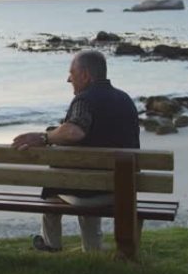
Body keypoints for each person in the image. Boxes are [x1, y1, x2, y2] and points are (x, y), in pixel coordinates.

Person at [11, 50, 139, 252]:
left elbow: (74, 131)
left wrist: (45, 137)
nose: (68, 78)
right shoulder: (125, 99)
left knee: (56, 184)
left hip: (89, 191)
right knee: (84, 177)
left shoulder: (84, 100)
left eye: (72, 73)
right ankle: (92, 247)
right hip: (122, 187)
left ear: (86, 75)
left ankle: (50, 244)